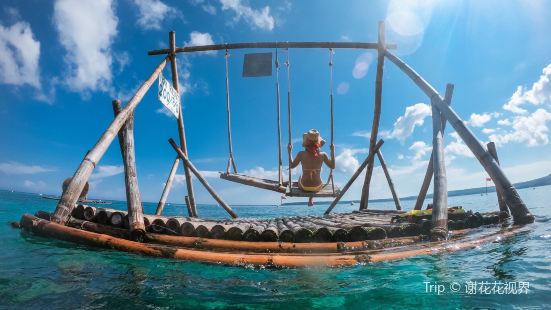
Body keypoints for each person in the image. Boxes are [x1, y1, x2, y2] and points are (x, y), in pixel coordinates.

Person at [288, 129, 335, 207]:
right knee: (317, 176)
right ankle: (311, 199)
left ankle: (308, 194)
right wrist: (333, 151)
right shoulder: (323, 154)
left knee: (300, 177)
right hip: (317, 187)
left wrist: (289, 151)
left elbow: (291, 166)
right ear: (319, 143)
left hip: (304, 186)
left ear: (306, 143)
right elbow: (332, 166)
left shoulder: (301, 154)